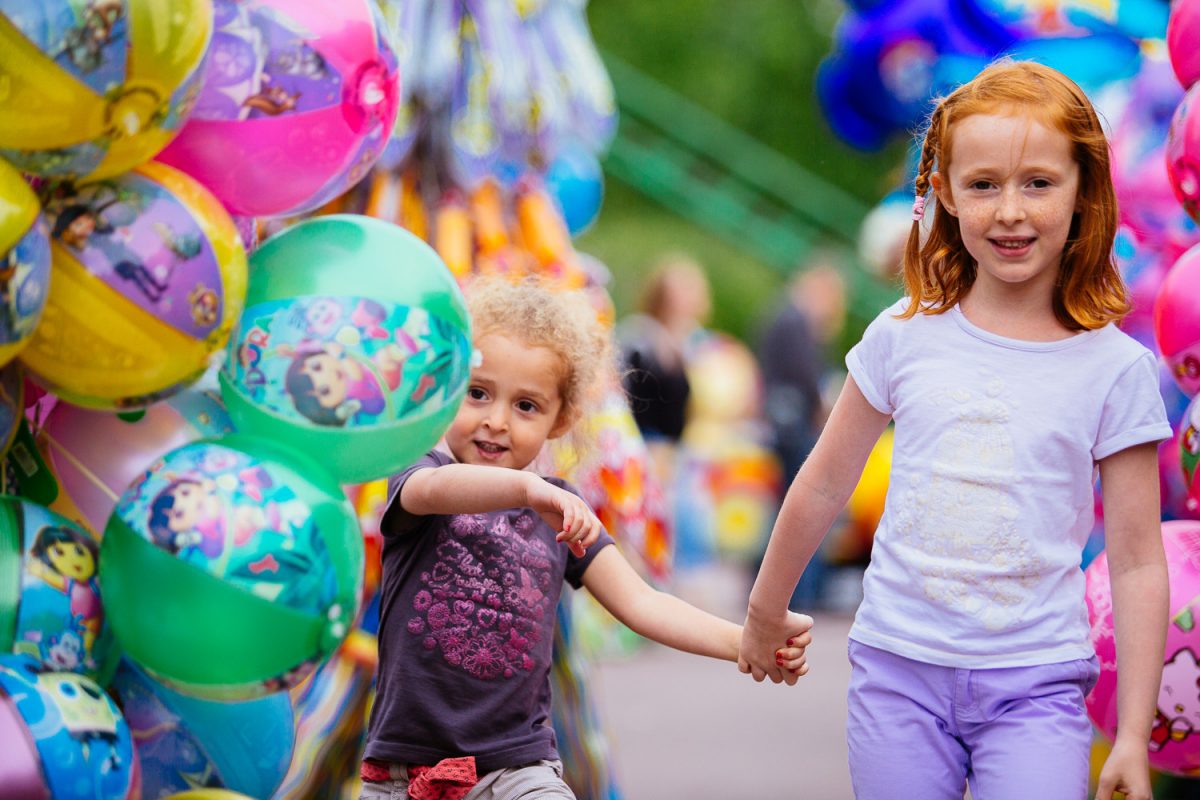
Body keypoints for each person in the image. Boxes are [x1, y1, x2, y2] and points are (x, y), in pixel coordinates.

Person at [739, 60, 1170, 800]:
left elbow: (1136, 563)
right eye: (983, 185)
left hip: (1037, 683)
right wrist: (763, 609)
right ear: (942, 193)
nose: (1010, 210)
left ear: (1083, 192)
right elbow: (824, 481)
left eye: (1038, 182)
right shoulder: (902, 337)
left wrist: (1132, 734)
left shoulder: (1115, 369)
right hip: (899, 672)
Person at [361, 277, 812, 800]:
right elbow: (433, 489)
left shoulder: (558, 511)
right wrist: (529, 489)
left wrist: (744, 642)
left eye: (526, 406)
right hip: (403, 775)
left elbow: (641, 602)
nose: (497, 421)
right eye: (478, 393)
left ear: (561, 420)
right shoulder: (423, 474)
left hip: (519, 769)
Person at [757, 260, 847, 610]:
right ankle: (800, 594)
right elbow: (806, 379)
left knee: (785, 505)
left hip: (784, 425)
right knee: (804, 505)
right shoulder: (794, 321)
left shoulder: (783, 317)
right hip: (795, 430)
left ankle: (792, 592)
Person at [616, 254, 711, 482]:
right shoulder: (639, 336)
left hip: (678, 449)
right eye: (681, 292)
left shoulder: (697, 343)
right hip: (642, 442)